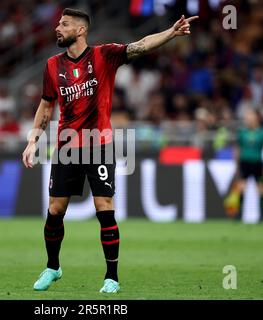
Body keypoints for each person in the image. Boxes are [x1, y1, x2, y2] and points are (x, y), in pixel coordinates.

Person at [21, 8, 198, 294]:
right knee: (55, 210)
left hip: (99, 145)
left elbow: (140, 45)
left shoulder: (105, 56)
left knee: (105, 208)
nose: (57, 27)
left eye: (64, 24)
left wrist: (171, 33)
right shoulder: (52, 65)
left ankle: (111, 277)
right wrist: (33, 140)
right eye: (58, 23)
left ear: (80, 30)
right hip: (66, 147)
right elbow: (46, 104)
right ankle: (53, 267)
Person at [234, 109, 263, 221]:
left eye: (250, 117)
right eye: (246, 118)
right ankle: (239, 215)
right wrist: (236, 164)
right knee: (241, 187)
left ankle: (261, 216)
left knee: (260, 188)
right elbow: (238, 148)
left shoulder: (262, 133)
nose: (248, 120)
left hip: (257, 163)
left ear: (256, 118)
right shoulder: (242, 133)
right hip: (244, 163)